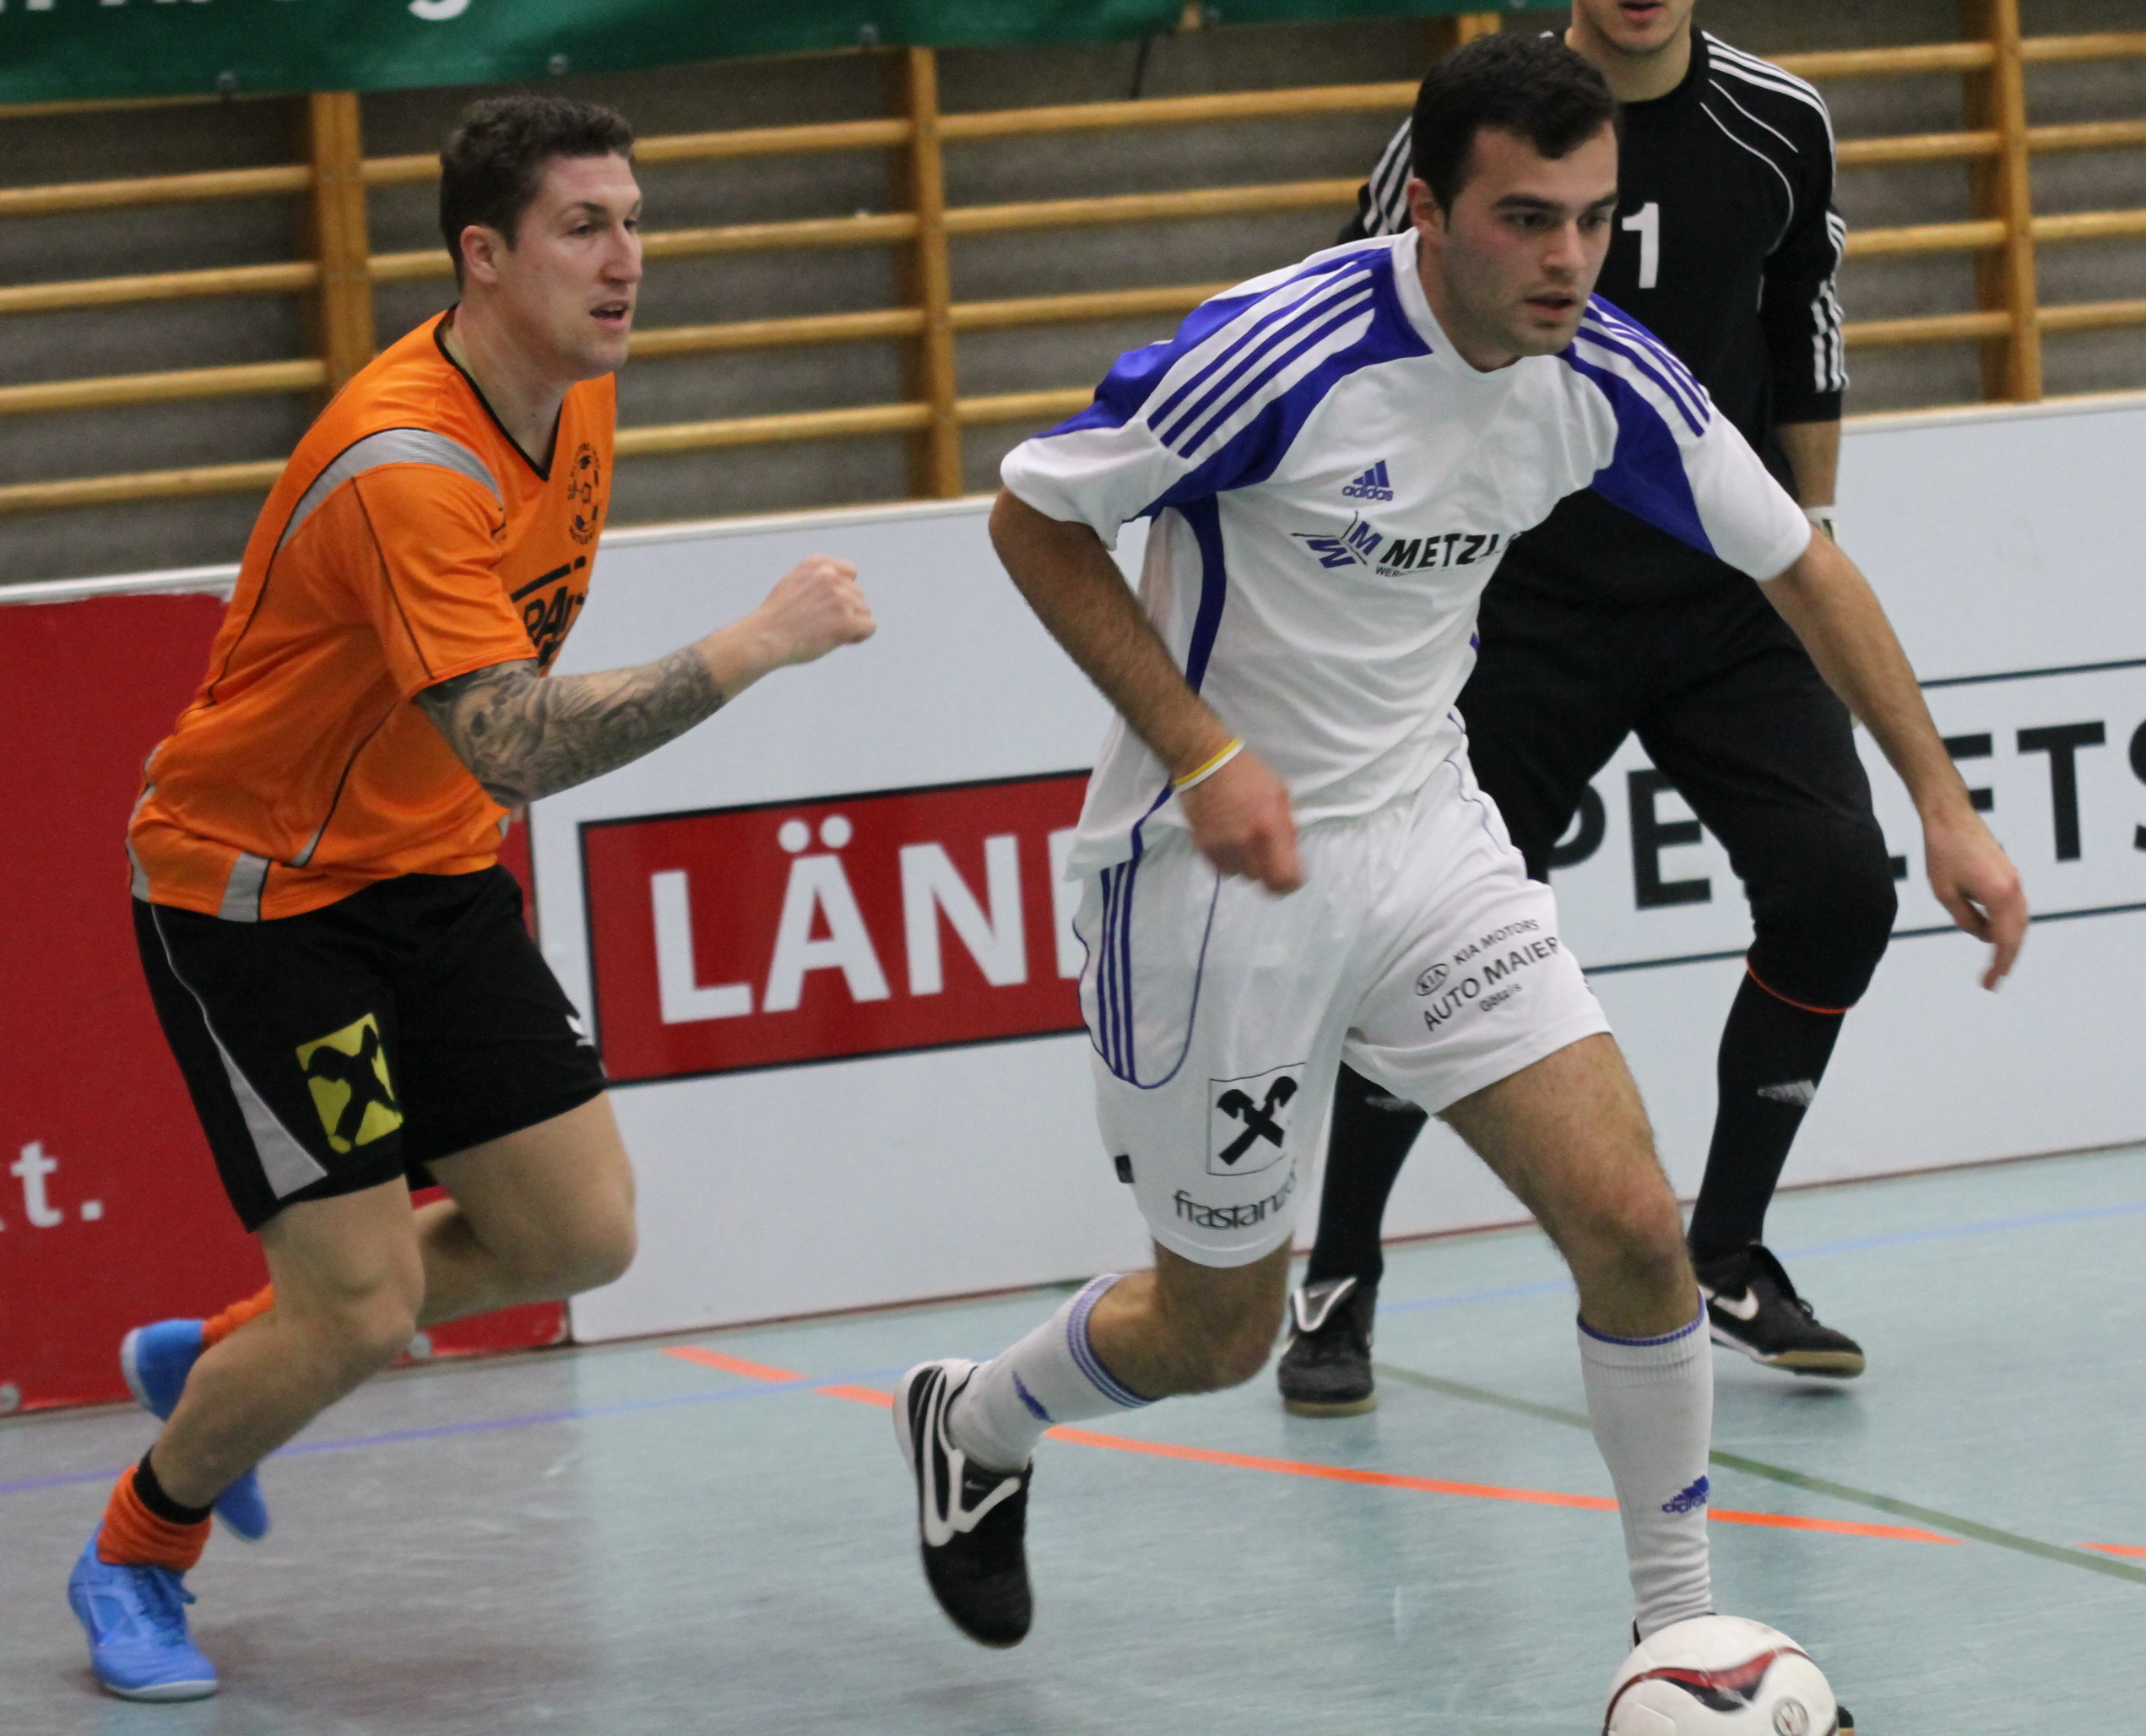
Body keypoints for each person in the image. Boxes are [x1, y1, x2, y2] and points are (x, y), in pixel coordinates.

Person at [893, 35, 2019, 1712]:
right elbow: (1033, 517)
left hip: (1428, 840)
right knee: (1218, 1329)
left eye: (1592, 219)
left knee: (1632, 1226)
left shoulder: (1604, 376)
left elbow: (1800, 560)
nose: (1569, 260)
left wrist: (1940, 799)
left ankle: (1678, 1635)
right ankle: (973, 1419)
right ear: (1425, 209)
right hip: (1211, 878)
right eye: (1525, 220)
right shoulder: (1280, 352)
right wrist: (1201, 752)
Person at [72, 94, 876, 1702]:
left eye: (634, 222)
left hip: (431, 872)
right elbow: (512, 737)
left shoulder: (573, 393)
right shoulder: (407, 462)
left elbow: (481, 747)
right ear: (483, 256)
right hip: (264, 902)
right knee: (361, 1308)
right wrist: (752, 644)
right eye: (584, 228)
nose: (625, 258)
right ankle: (136, 1549)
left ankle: (227, 1355)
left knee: (578, 1233)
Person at [1280, 0, 1907, 1418]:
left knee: (1837, 891)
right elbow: (1357, 327)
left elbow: (1803, 321)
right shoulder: (1472, 122)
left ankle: (1726, 1249)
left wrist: (1808, 529)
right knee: (1421, 941)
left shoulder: (1777, 123)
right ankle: (1339, 1273)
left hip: (1720, 601)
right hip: (1516, 608)